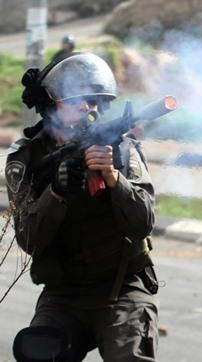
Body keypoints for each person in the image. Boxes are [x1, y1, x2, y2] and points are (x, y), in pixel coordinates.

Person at [6, 52, 159, 361]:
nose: (87, 107)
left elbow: (143, 223)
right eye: (75, 99)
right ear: (51, 106)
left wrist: (114, 178)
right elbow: (28, 240)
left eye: (93, 101)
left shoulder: (121, 149)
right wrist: (56, 193)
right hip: (62, 295)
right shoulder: (27, 162)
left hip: (121, 288)